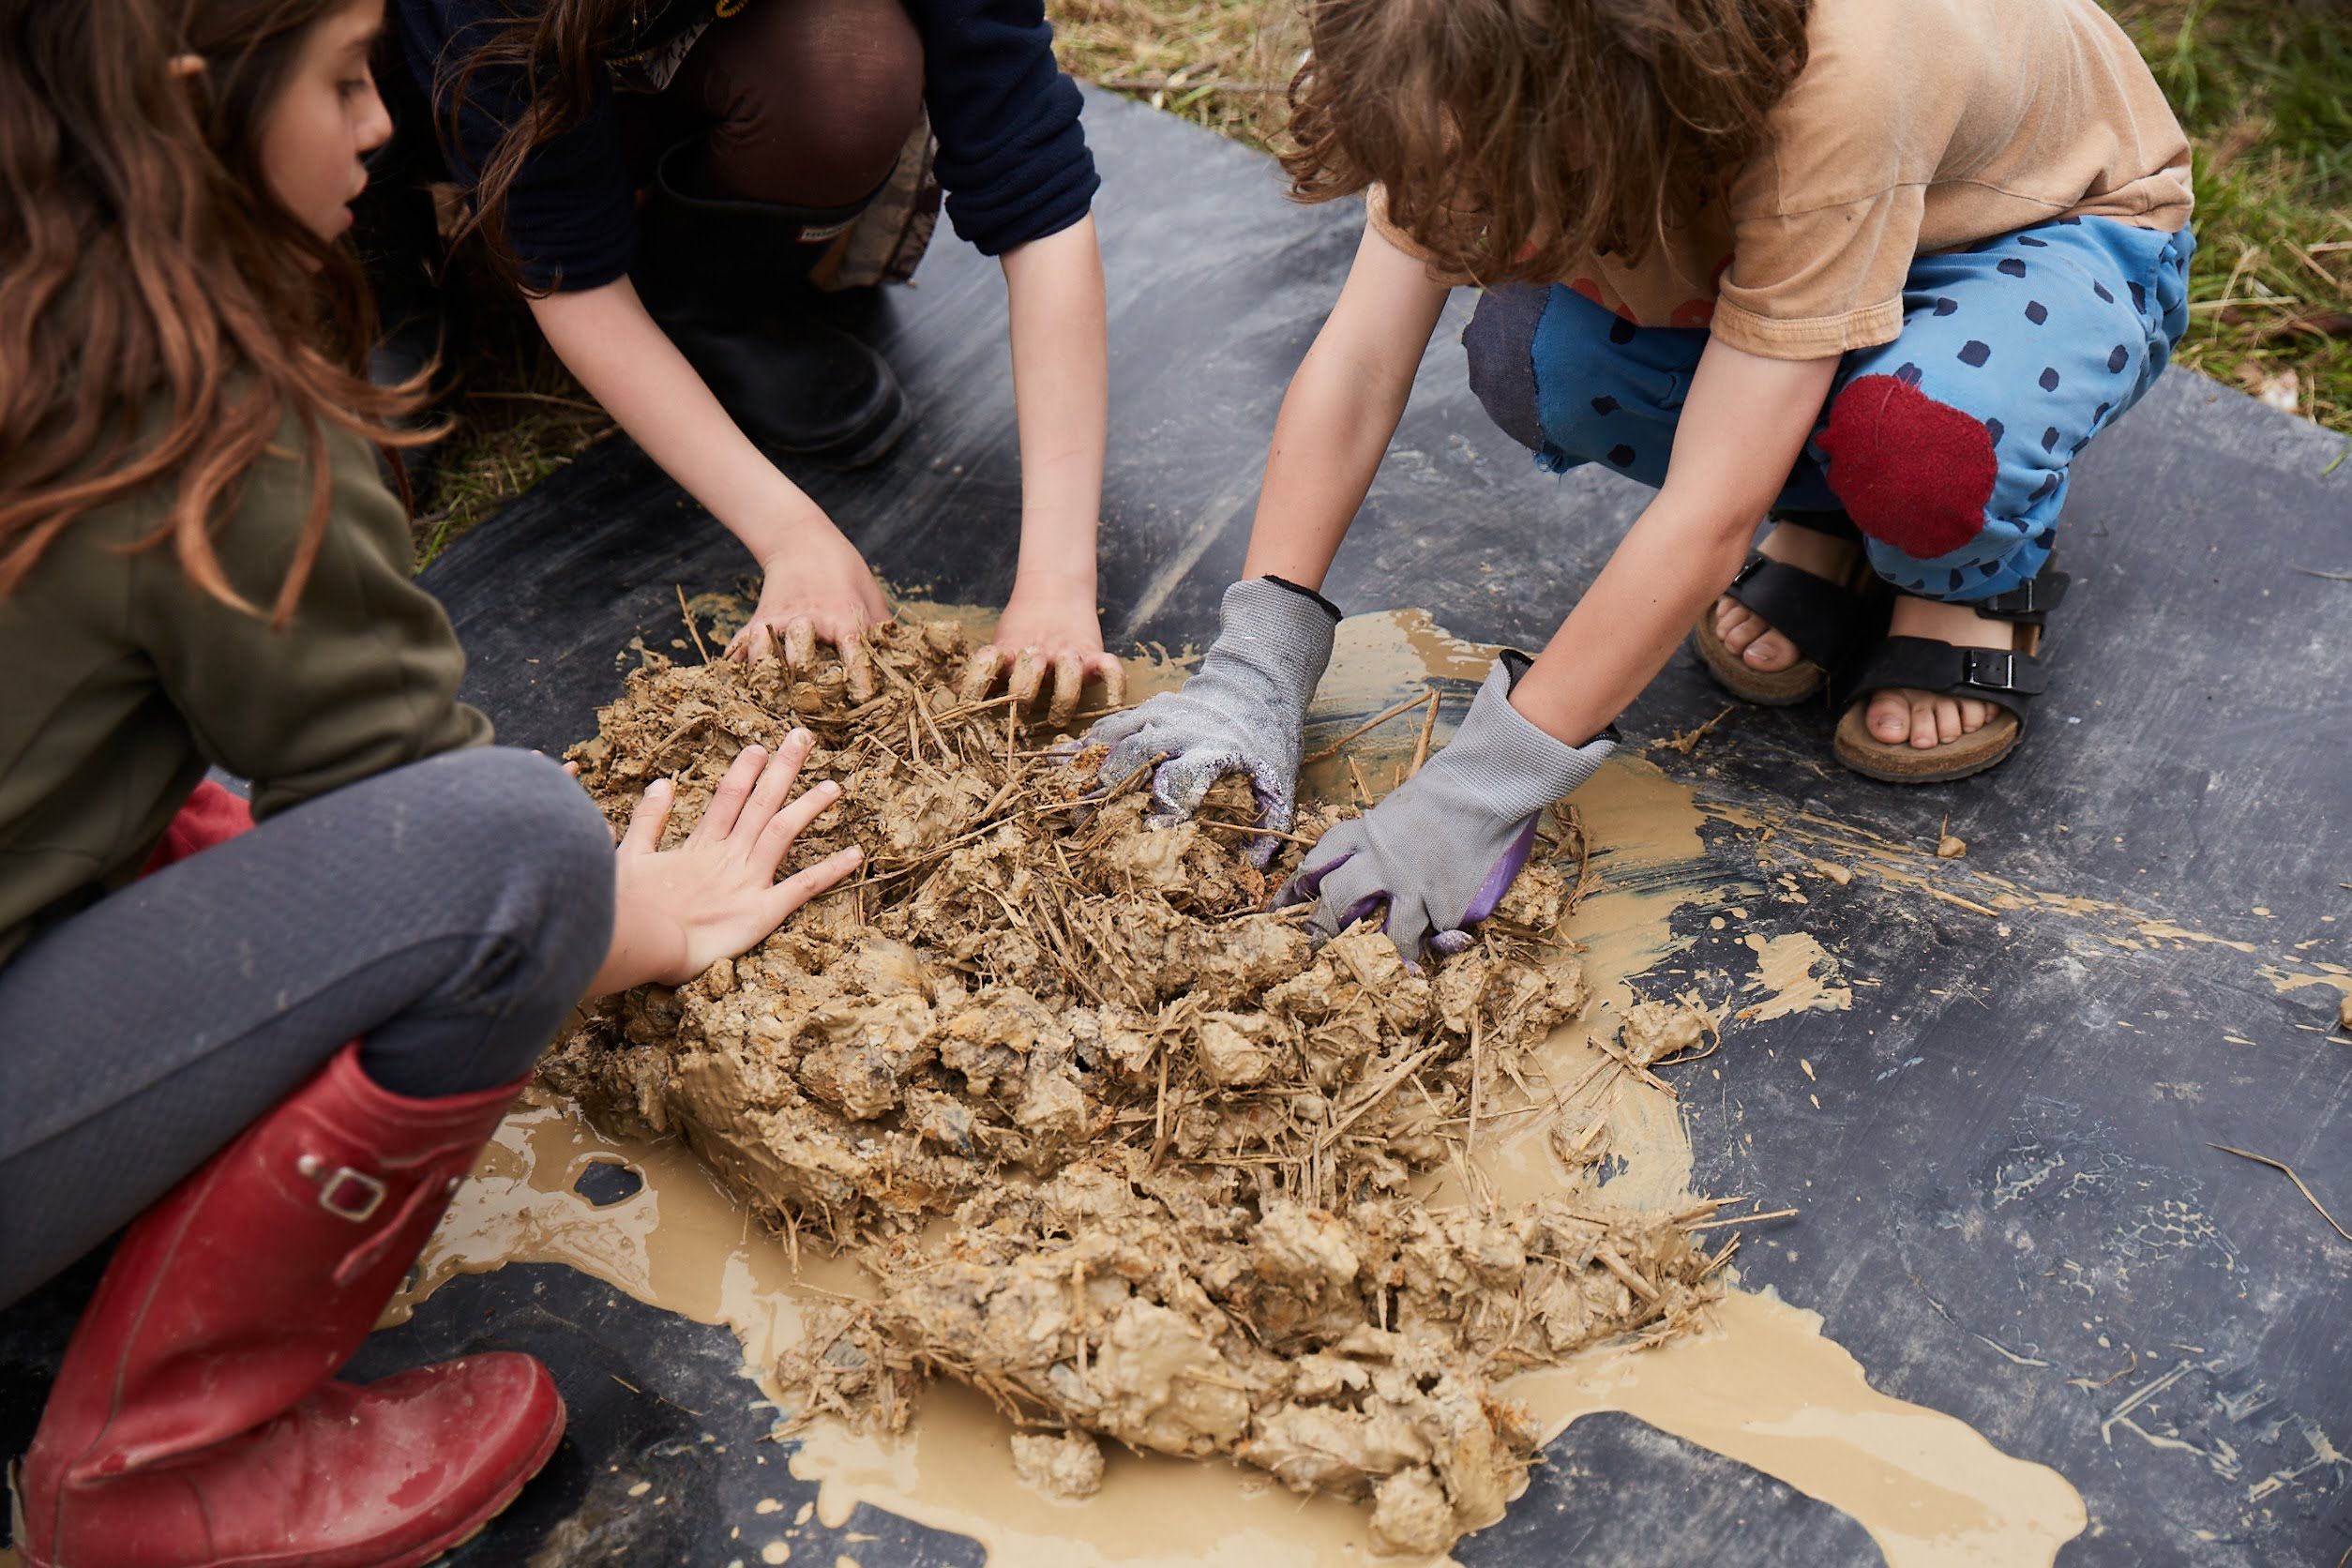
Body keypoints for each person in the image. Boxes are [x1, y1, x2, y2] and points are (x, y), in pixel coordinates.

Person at [0, 2, 860, 1559]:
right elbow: (456, 864)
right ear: (190, 111)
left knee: (181, 812)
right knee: (523, 840)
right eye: (343, 79)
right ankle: (162, 1472)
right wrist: (639, 913)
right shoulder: (196, 408)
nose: (381, 123)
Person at [1085, 0, 2194, 963]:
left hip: (2031, 234)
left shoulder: (1830, 82)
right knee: (1537, 358)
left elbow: (1708, 511)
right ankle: (1822, 513)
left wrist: (1478, 791)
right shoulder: (1454, 52)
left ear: (1595, 115)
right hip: (1756, 210)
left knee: (1921, 445)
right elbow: (1367, 355)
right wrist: (1256, 662)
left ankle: (1963, 583)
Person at [385, 0, 1124, 719]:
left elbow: (1036, 187)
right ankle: (386, 282)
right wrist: (790, 534)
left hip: (668, 52)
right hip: (429, 75)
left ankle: (701, 300)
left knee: (854, 67)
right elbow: (568, 273)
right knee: (319, 60)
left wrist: (1056, 586)